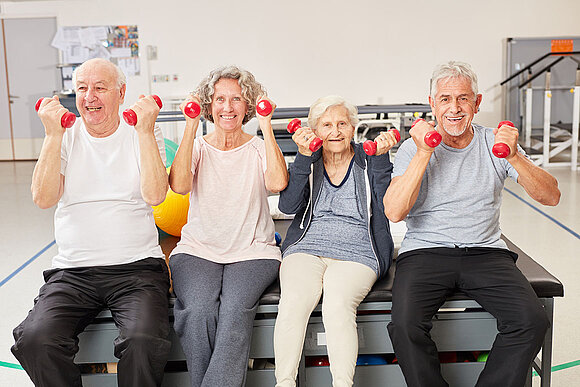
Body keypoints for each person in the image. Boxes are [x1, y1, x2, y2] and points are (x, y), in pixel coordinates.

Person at [384, 61, 561, 387]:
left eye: (463, 99)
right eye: (446, 99)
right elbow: (394, 212)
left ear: (477, 103)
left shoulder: (495, 143)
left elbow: (551, 196)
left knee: (531, 320)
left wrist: (515, 157)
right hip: (426, 251)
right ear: (432, 103)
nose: (454, 108)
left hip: (486, 252)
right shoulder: (413, 148)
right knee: (405, 326)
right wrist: (425, 152)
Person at [11, 58, 172, 387]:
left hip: (136, 269)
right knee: (34, 339)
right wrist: (52, 136)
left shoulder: (143, 130)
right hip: (73, 272)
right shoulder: (65, 134)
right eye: (82, 88)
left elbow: (156, 195)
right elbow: (43, 198)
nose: (89, 96)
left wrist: (142, 131)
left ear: (121, 92)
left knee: (143, 341)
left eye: (100, 88)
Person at [168, 65, 288, 387]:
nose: (227, 107)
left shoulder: (259, 148)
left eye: (236, 99)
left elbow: (277, 182)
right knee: (198, 311)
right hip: (198, 251)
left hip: (253, 252)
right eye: (220, 99)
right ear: (209, 105)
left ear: (248, 105)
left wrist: (267, 124)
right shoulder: (197, 148)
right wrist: (190, 126)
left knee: (235, 311)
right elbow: (178, 186)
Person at [274, 95, 397, 387]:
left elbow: (387, 206)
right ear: (316, 131)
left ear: (353, 128)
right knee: (293, 302)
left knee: (337, 304)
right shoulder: (310, 160)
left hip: (359, 252)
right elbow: (288, 206)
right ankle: (284, 383)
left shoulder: (369, 158)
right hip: (307, 248)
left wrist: (381, 159)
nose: (335, 131)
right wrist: (303, 157)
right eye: (326, 125)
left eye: (342, 123)